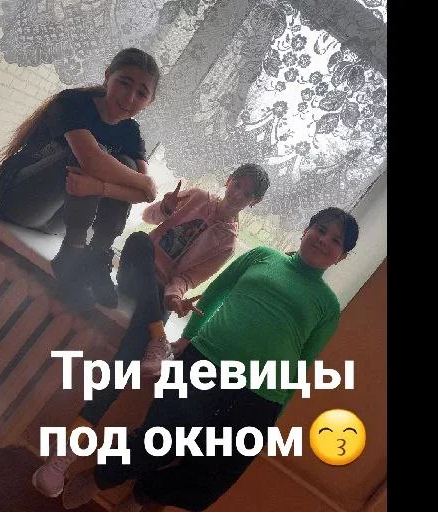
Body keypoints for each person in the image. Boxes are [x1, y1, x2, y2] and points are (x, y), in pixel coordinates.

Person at [58, 207, 360, 511]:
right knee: (157, 440)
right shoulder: (263, 256)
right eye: (320, 229)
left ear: (342, 256)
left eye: (336, 240)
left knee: (206, 484)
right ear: (306, 230)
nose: (324, 240)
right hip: (205, 361)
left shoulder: (328, 306)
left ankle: (143, 495)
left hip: (261, 397)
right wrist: (189, 336)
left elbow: (303, 363)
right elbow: (215, 293)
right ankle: (100, 477)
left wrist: (275, 416)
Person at [31, 163, 270, 499]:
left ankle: (63, 458)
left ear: (253, 203)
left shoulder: (227, 243)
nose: (238, 194)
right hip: (134, 270)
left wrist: (174, 298)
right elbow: (148, 217)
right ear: (228, 181)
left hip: (158, 298)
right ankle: (158, 335)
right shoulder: (197, 196)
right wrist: (166, 208)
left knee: (124, 363)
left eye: (247, 194)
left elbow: (187, 279)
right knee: (141, 241)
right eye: (237, 185)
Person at [0, 48, 160, 310]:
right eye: (124, 83)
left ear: (149, 101)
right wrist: (146, 183)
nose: (130, 97)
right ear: (107, 76)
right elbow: (94, 161)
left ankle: (97, 256)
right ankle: (70, 256)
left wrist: (102, 188)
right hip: (19, 201)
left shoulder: (131, 131)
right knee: (94, 154)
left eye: (141, 93)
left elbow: (144, 193)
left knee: (125, 164)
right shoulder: (73, 102)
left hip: (60, 222)